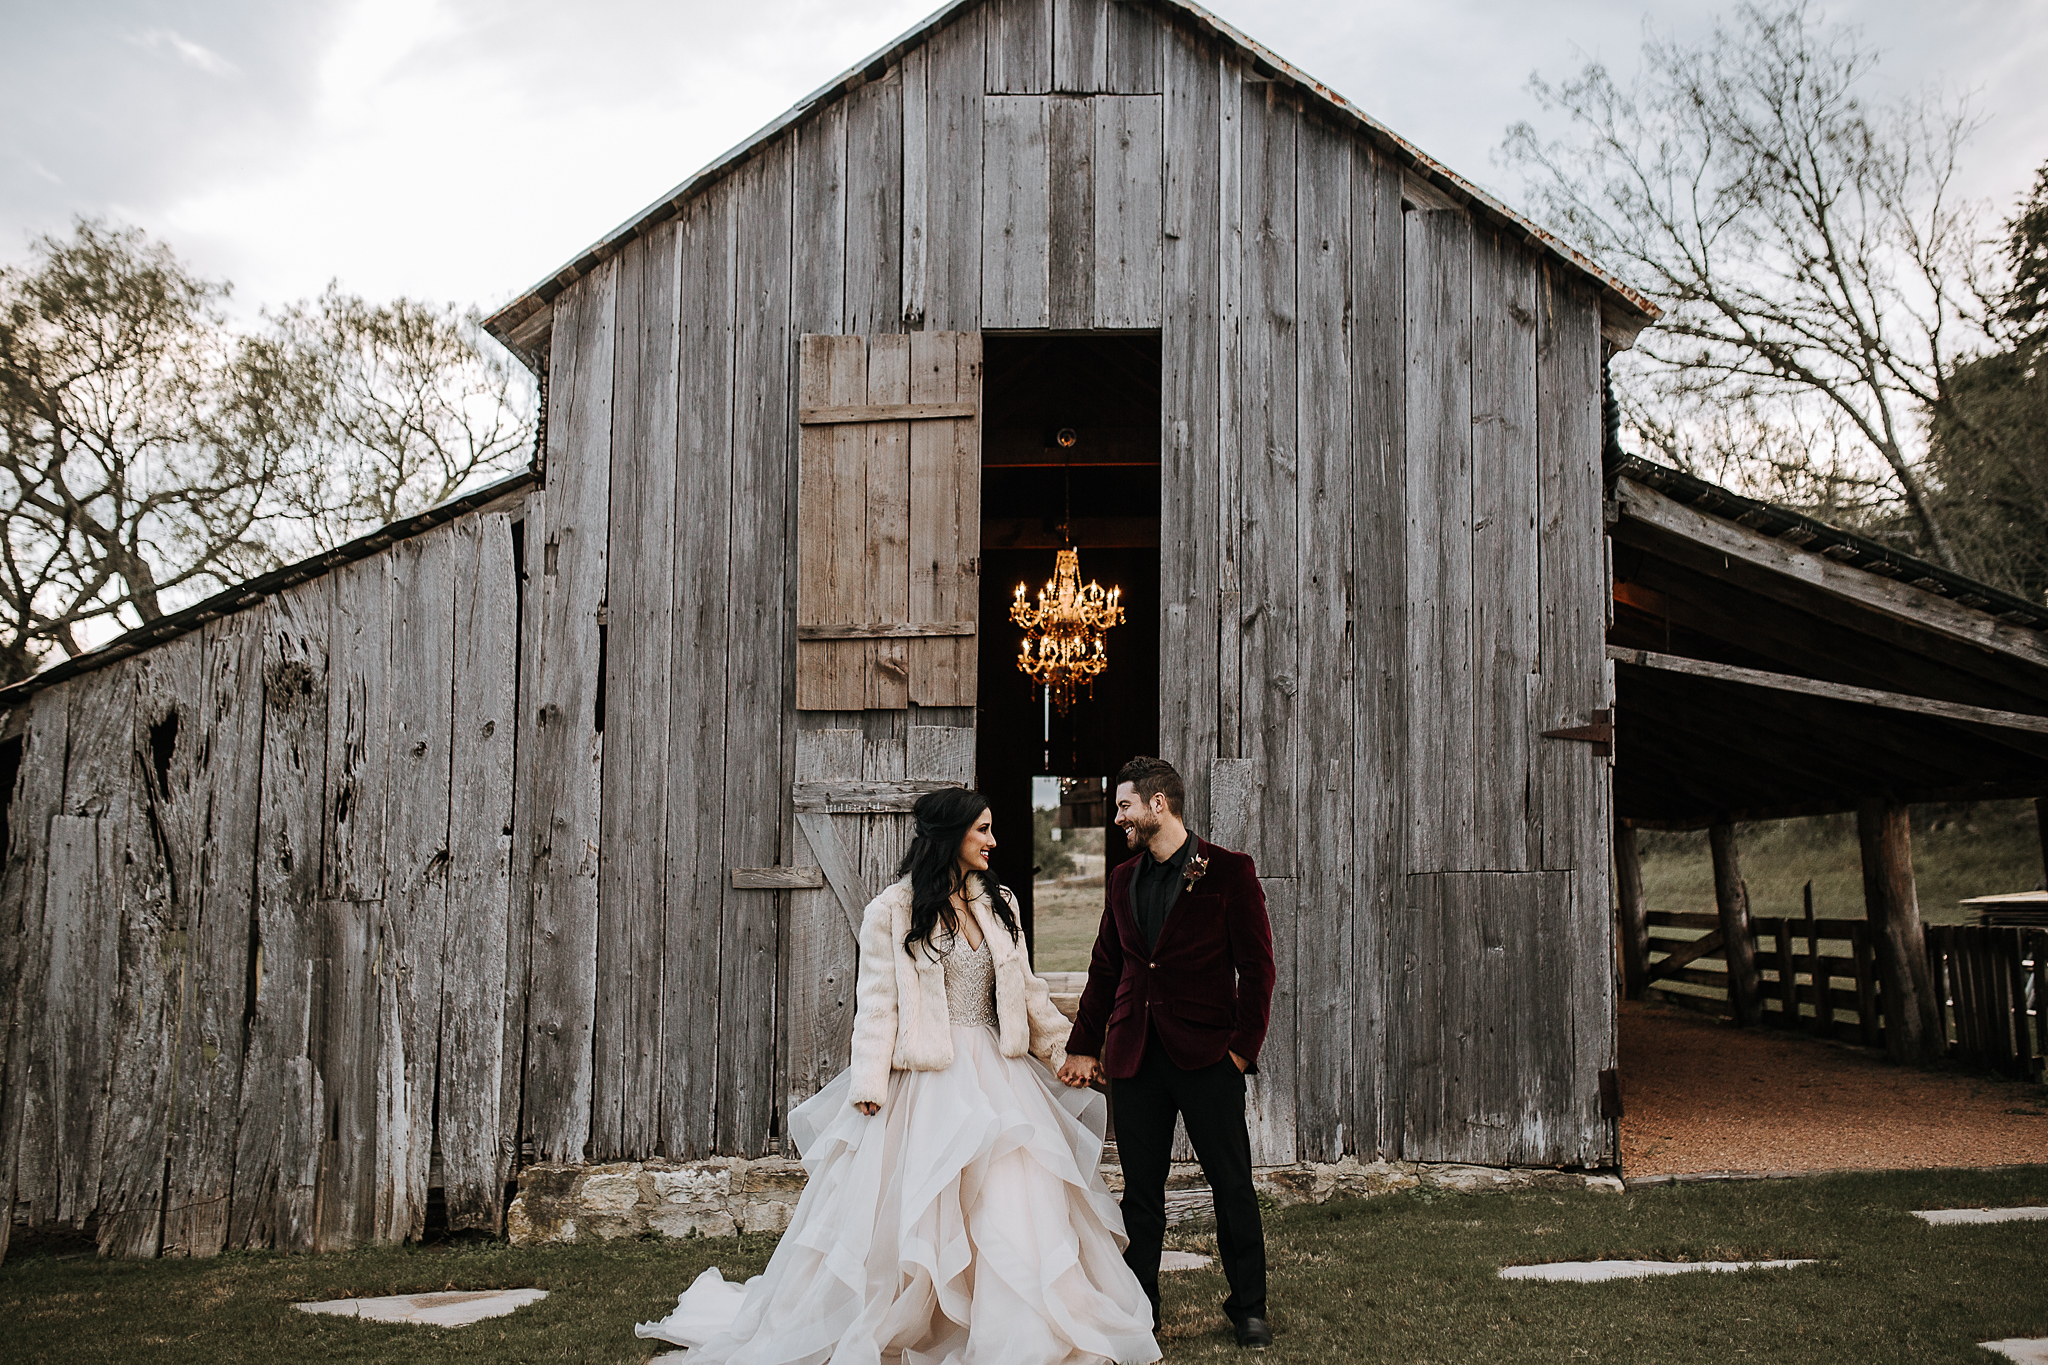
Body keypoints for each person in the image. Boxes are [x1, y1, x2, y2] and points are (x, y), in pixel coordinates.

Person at [636, 786, 1161, 1365]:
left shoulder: (1001, 901)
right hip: (929, 1080)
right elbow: (877, 1005)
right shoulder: (893, 909)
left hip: (1001, 1074)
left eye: (991, 829)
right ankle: (912, 1321)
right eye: (982, 830)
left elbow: (1027, 995)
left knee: (1011, 1202)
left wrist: (1066, 1049)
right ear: (950, 836)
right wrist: (869, 1084)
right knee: (913, 1214)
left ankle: (1016, 1329)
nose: (993, 841)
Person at [1059, 756, 1277, 1350]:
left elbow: (1258, 969)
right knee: (1141, 1194)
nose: (1118, 818)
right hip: (1135, 1059)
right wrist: (1084, 1044)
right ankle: (1140, 1310)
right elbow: (1107, 968)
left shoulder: (1230, 871)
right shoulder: (1122, 878)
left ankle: (1249, 1309)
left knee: (1230, 1185)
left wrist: (1240, 1051)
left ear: (1159, 805)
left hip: (1208, 1055)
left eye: (1124, 805)